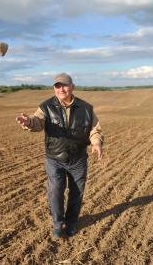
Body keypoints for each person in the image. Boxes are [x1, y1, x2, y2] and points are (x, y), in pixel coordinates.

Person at [16, 73, 104, 239]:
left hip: (78, 158)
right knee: (55, 190)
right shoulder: (46, 107)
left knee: (76, 193)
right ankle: (57, 224)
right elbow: (37, 122)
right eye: (57, 86)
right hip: (54, 159)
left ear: (72, 86)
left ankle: (71, 223)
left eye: (64, 85)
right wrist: (28, 122)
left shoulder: (86, 108)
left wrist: (96, 143)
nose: (61, 89)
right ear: (54, 88)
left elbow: (95, 130)